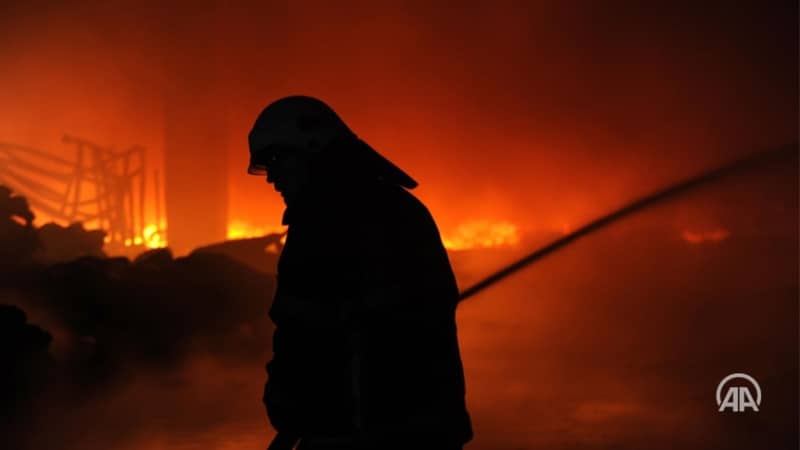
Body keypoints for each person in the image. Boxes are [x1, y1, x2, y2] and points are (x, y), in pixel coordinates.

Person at [248, 96, 473, 450]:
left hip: (362, 432)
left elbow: (305, 334)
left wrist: (293, 409)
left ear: (312, 148)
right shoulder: (397, 208)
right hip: (422, 430)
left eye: (276, 160)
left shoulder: (325, 223)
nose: (272, 178)